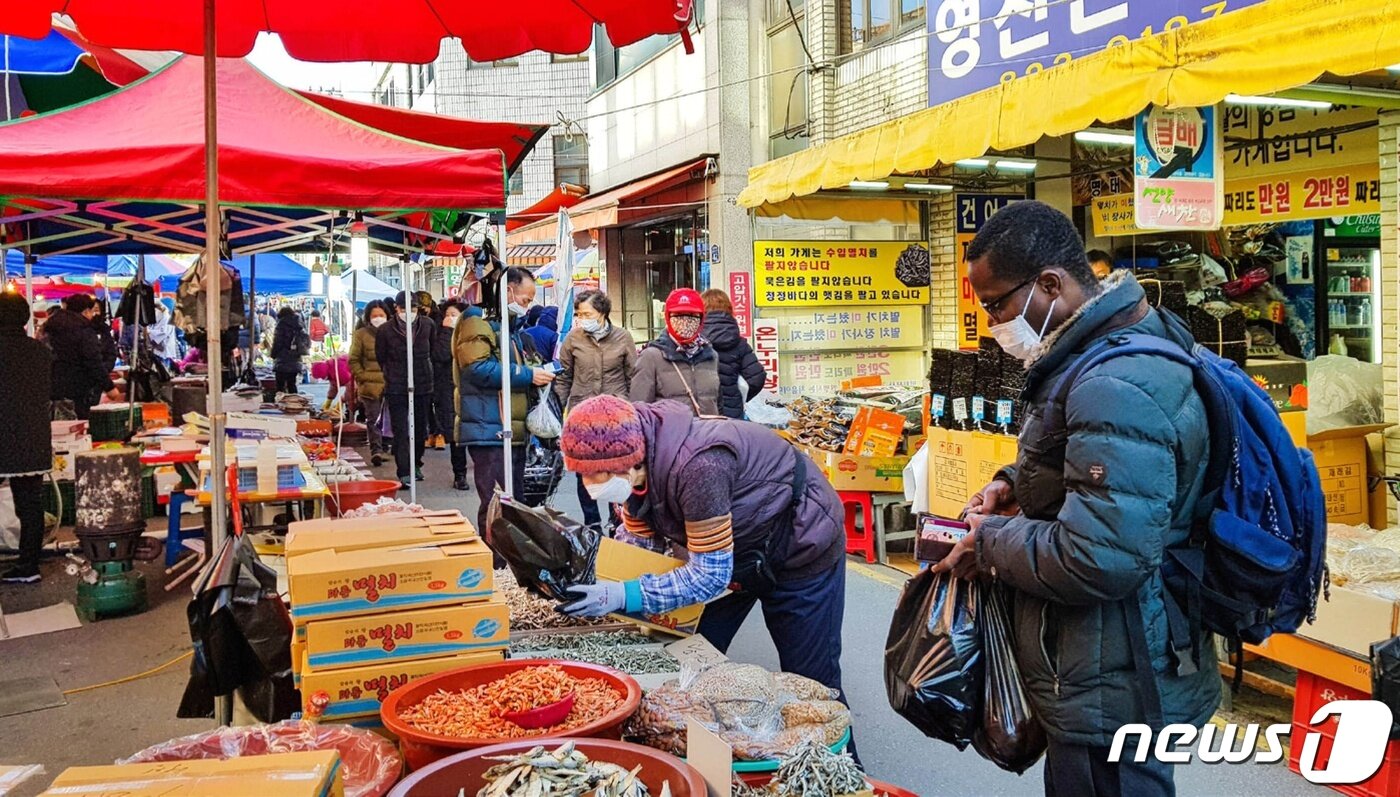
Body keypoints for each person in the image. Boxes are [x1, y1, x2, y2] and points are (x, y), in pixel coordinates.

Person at [934, 201, 1216, 797]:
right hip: (1113, 656)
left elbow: (1098, 554)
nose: (992, 323)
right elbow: (1108, 466)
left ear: (1049, 285)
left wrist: (989, 543)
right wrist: (1014, 483)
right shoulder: (1122, 340)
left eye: (996, 304)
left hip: (1114, 671)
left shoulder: (1113, 380)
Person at [557, 395, 849, 707]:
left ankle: (843, 755)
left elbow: (709, 576)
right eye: (582, 473)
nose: (588, 484)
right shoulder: (632, 474)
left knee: (810, 683)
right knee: (686, 651)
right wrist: (605, 583)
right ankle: (705, 736)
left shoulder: (700, 465)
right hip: (735, 551)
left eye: (595, 474)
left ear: (630, 459)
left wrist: (621, 596)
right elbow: (641, 545)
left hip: (800, 544)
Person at [454, 267, 554, 536]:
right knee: (496, 501)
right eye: (525, 299)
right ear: (508, 290)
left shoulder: (507, 324)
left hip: (509, 426)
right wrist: (527, 374)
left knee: (513, 501)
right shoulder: (477, 320)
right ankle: (495, 560)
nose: (527, 305)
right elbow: (476, 369)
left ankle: (509, 561)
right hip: (489, 426)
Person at [553, 290, 637, 527]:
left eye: (587, 313)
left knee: (618, 472)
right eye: (579, 314)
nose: (582, 318)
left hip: (617, 417)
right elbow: (564, 377)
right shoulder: (573, 340)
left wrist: (635, 410)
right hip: (583, 416)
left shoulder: (623, 338)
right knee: (584, 474)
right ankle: (592, 523)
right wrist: (558, 411)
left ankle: (618, 520)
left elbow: (633, 376)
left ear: (602, 313)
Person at [0, 295, 53, 584]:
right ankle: (29, 565)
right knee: (30, 505)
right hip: (32, 435)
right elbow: (50, 390)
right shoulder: (39, 352)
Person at [376, 291, 436, 489]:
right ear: (397, 308)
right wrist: (392, 372)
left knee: (420, 428)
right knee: (400, 430)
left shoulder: (427, 325)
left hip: (423, 382)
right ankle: (404, 471)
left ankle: (417, 462)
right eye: (404, 309)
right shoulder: (385, 330)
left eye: (413, 308)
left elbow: (433, 350)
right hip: (396, 384)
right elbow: (381, 356)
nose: (408, 312)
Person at [630, 288, 720, 416]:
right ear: (668, 317)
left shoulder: (711, 356)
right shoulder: (651, 357)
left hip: (708, 433)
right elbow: (639, 410)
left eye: (692, 316)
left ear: (701, 318)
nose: (685, 322)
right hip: (669, 434)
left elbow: (717, 402)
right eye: (678, 316)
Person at [42, 294, 112, 419]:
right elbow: (93, 360)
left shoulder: (50, 327)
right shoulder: (83, 330)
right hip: (78, 390)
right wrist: (109, 387)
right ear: (86, 311)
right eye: (92, 311)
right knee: (79, 428)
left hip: (51, 389)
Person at [699, 289, 765, 420]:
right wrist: (739, 396)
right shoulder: (739, 343)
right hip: (732, 415)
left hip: (702, 412)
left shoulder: (694, 341)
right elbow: (757, 377)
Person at [432, 300, 470, 491]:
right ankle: (460, 473)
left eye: (453, 314)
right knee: (456, 435)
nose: (449, 318)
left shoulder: (472, 334)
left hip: (471, 390)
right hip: (449, 389)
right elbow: (439, 355)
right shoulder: (441, 335)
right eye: (447, 314)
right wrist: (447, 332)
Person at [350, 301, 389, 466]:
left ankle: (386, 446)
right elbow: (353, 360)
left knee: (390, 419)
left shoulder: (394, 333)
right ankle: (376, 450)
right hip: (370, 385)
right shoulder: (361, 335)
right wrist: (362, 377)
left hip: (391, 383)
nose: (378, 318)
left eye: (381, 315)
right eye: (374, 316)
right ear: (368, 317)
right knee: (373, 418)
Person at [270, 306, 307, 394]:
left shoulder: (281, 325)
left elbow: (277, 342)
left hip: (282, 359)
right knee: (292, 384)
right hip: (295, 358)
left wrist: (273, 354)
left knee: (280, 385)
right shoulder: (299, 325)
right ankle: (294, 403)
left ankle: (280, 403)